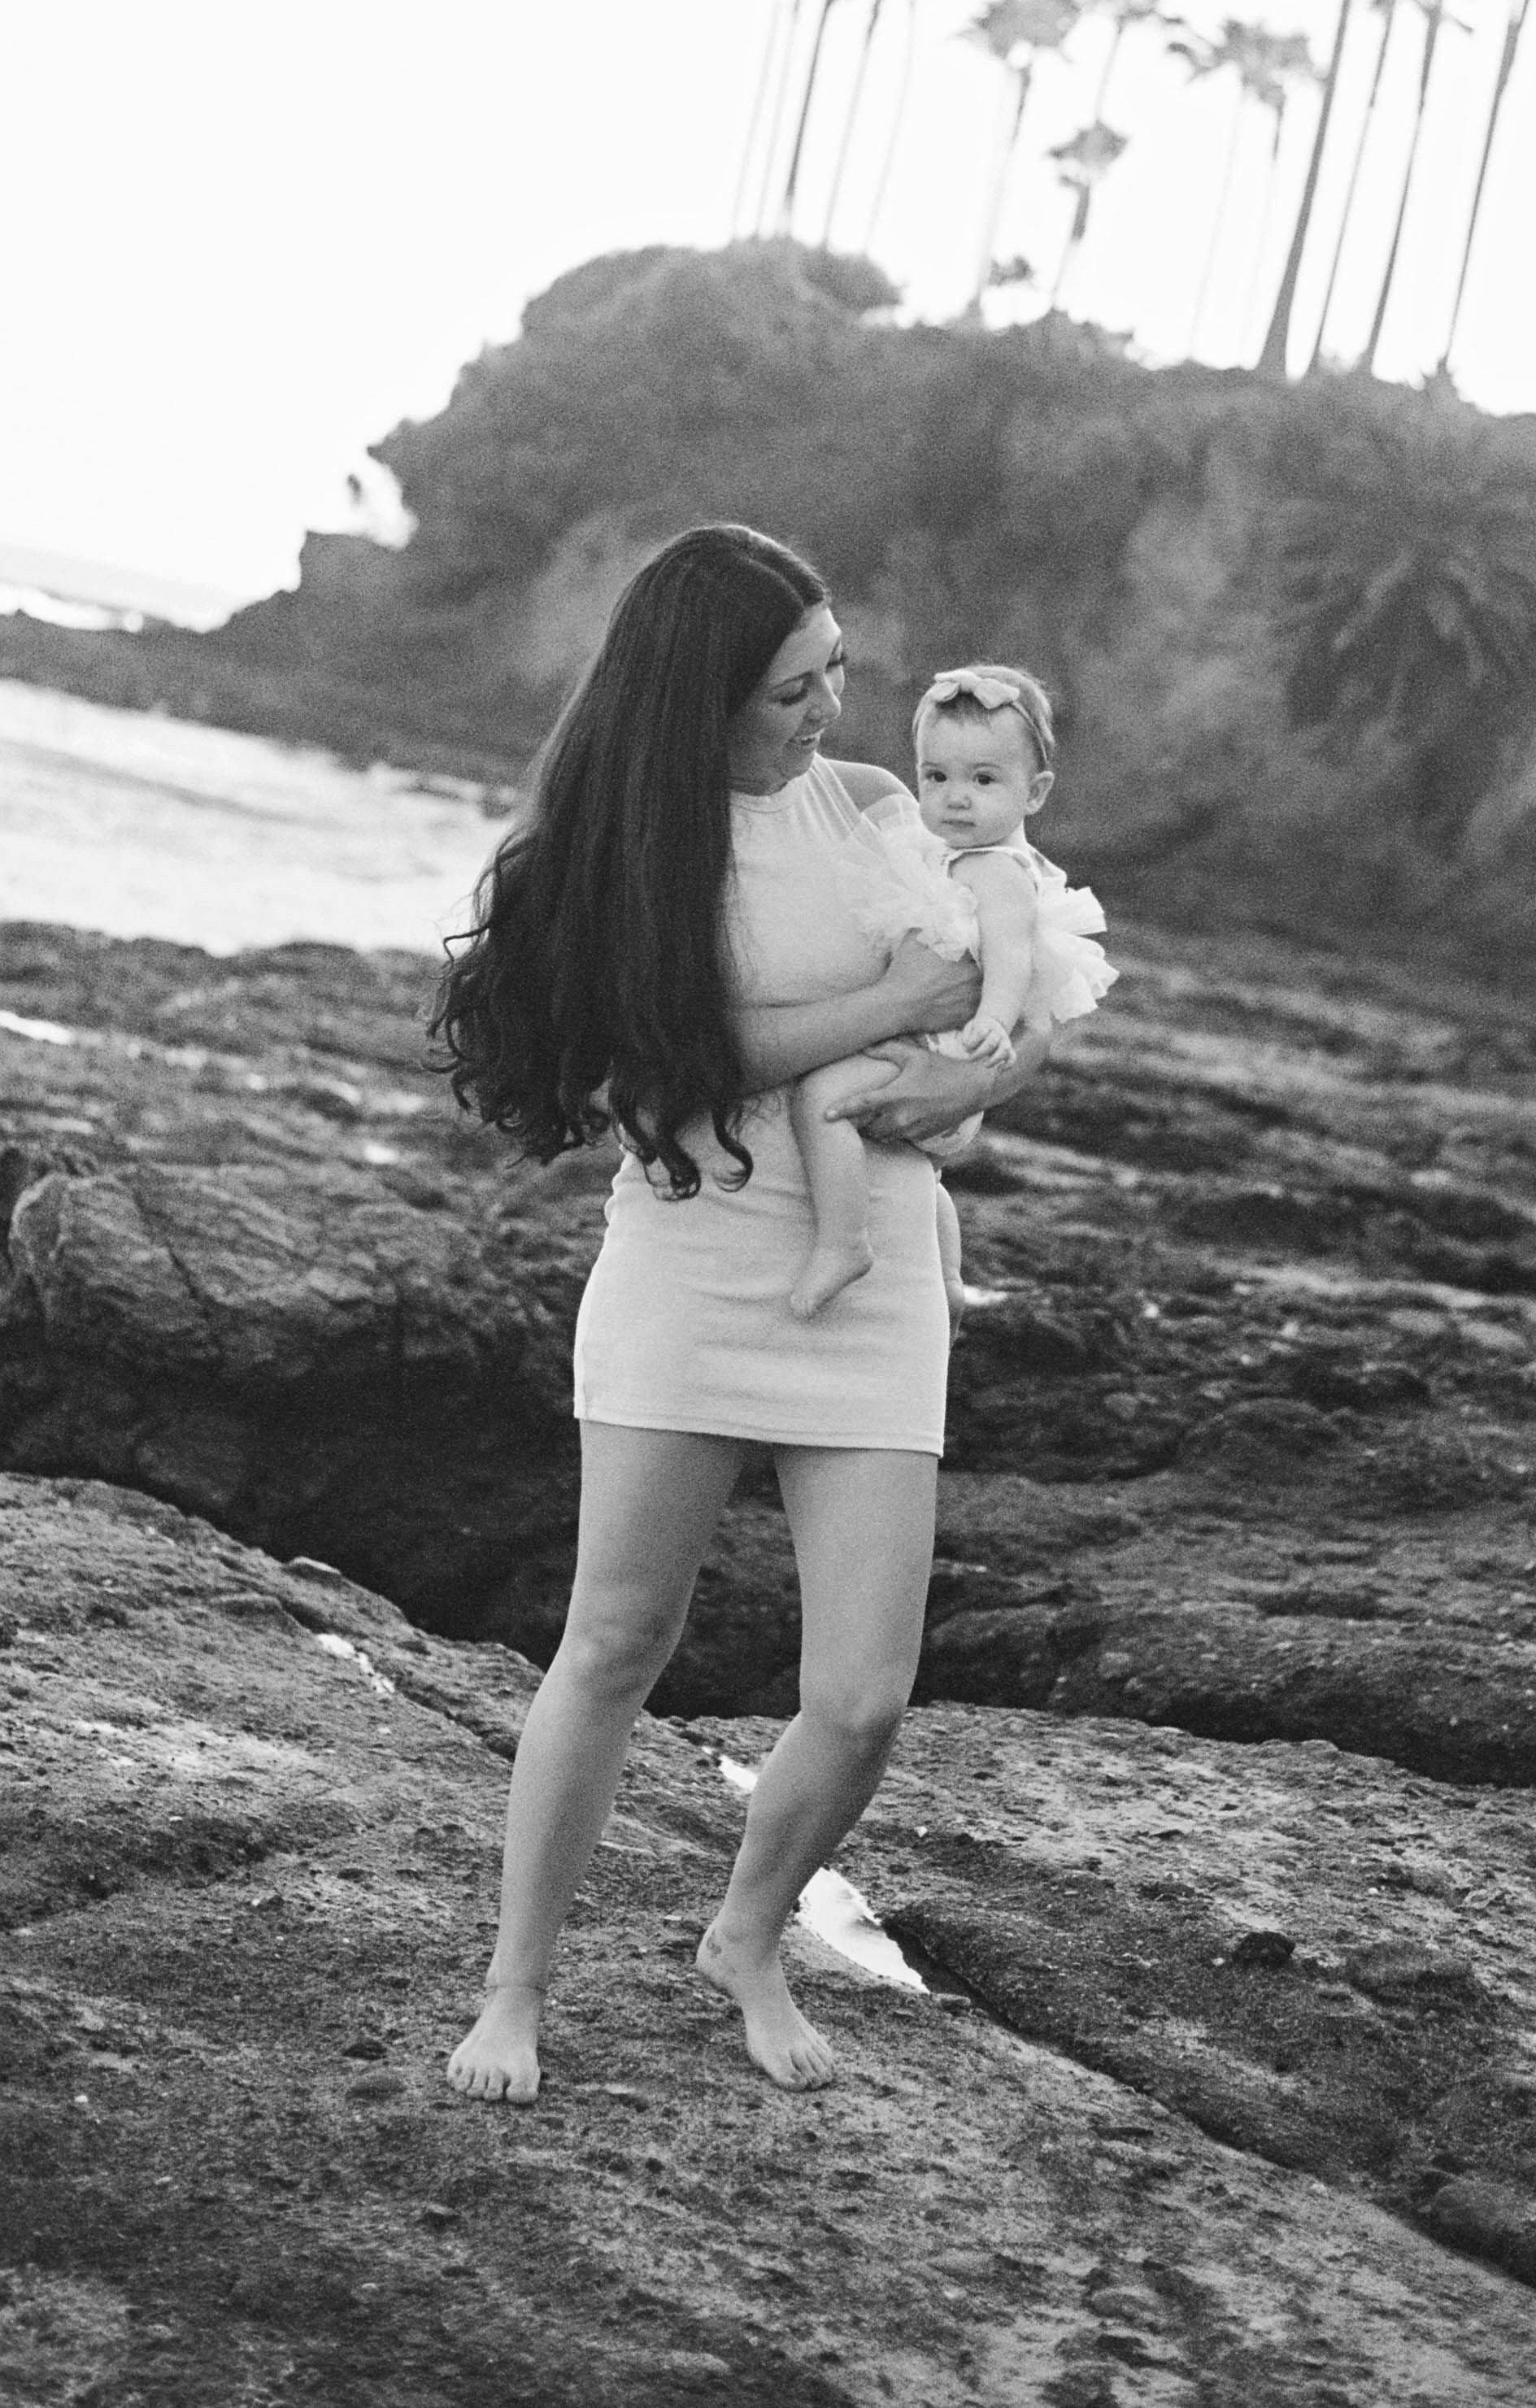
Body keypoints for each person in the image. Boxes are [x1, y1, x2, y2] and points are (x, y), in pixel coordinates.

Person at [434, 524, 1046, 2100]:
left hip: (880, 1269)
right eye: (790, 687)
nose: (827, 710)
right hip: (693, 1263)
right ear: (698, 697)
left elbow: (965, 1025)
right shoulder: (623, 856)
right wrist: (888, 1010)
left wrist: (958, 1072)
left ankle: (747, 1929)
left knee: (861, 1696)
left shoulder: (879, 810)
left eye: (837, 670)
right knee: (615, 1640)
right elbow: (670, 1056)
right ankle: (514, 1988)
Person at [786, 663, 1115, 1322]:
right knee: (923, 1175)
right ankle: (947, 1279)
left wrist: (992, 1022)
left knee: (820, 1097)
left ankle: (843, 1242)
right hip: (937, 1057)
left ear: (1036, 792)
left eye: (983, 780)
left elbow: (1014, 956)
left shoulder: (998, 873)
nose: (954, 798)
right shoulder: (955, 857)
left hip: (950, 1054)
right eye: (935, 777)